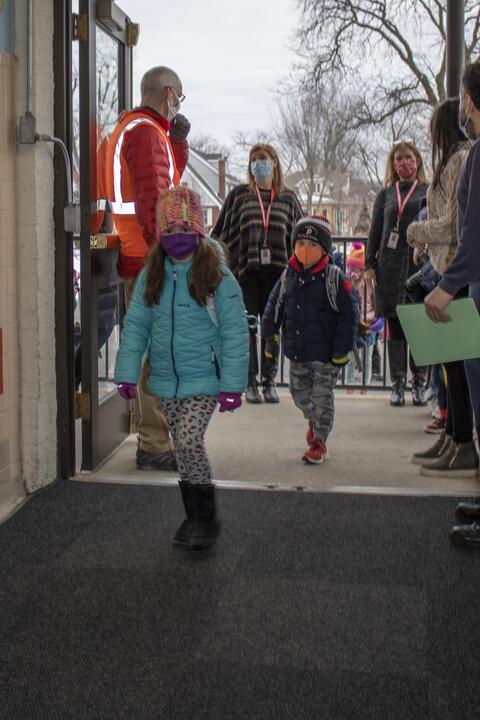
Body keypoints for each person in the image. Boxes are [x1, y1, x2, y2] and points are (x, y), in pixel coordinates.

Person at [114, 188, 249, 553]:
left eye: (184, 230)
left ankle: (207, 519)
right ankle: (194, 515)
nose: (177, 238)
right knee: (183, 450)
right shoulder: (152, 273)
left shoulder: (216, 275)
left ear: (199, 231)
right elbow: (138, 325)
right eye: (169, 231)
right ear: (160, 234)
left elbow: (235, 331)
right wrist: (127, 372)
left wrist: (233, 385)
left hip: (205, 379)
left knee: (189, 442)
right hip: (167, 381)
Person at [105, 66, 190, 472]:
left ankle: (153, 438)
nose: (179, 106)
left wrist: (178, 142)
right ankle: (154, 443)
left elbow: (162, 177)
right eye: (180, 98)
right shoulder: (145, 134)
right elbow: (155, 198)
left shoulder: (137, 128)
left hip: (137, 256)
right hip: (148, 260)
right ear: (170, 92)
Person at [423, 62, 480, 547]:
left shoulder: (472, 156)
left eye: (464, 96)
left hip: (464, 281)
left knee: (468, 381)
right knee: (462, 381)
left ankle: (463, 445)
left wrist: (446, 283)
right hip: (466, 280)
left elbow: (468, 232)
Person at [407, 98, 477, 479]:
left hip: (458, 278)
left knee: (459, 366)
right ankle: (454, 437)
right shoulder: (455, 160)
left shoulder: (461, 160)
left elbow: (452, 225)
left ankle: (463, 442)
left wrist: (414, 231)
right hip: (449, 271)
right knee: (453, 365)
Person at [261, 215, 358, 464]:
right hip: (298, 352)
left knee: (322, 397)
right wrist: (269, 336)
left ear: (324, 248)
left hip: (327, 355)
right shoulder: (288, 275)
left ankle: (319, 441)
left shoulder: (335, 278)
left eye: (313, 245)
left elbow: (350, 316)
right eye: (300, 243)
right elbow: (274, 306)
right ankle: (313, 421)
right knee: (299, 393)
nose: (305, 249)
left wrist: (342, 350)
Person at [211, 143, 303, 404]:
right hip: (247, 273)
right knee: (248, 328)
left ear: (274, 163)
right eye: (253, 160)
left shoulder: (288, 198)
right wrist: (215, 264)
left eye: (262, 159)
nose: (257, 164)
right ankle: (250, 382)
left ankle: (269, 381)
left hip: (279, 275)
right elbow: (219, 233)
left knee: (271, 329)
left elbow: (302, 234)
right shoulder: (240, 195)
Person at [365, 141, 428, 407]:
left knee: (419, 328)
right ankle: (398, 384)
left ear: (417, 161)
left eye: (409, 158)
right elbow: (375, 230)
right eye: (399, 159)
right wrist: (369, 264)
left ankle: (419, 384)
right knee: (396, 328)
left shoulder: (427, 190)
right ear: (393, 164)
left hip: (417, 266)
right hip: (389, 268)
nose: (404, 163)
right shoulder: (386, 195)